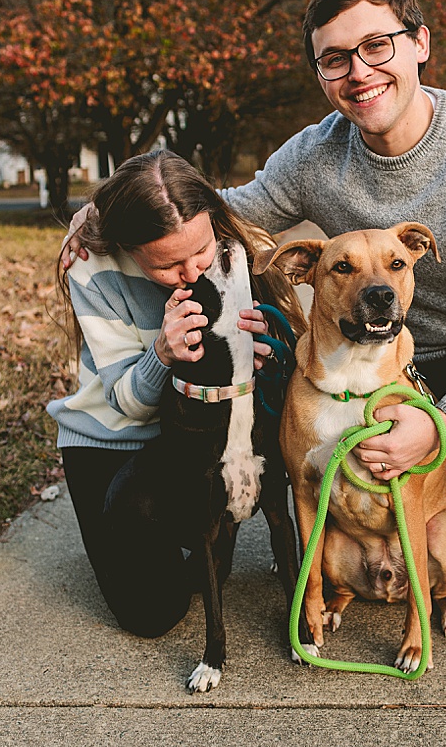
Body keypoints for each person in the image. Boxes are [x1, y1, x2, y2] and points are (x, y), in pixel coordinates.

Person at [64, 0, 446, 717]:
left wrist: (445, 418)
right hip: (397, 356)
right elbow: (217, 214)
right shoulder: (313, 153)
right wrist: (100, 220)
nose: (358, 72)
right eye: (335, 58)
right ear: (321, 72)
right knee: (445, 519)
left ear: (419, 43)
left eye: (376, 46)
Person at [48, 150, 305, 639]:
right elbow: (127, 401)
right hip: (116, 438)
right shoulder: (91, 265)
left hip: (200, 427)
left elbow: (291, 355)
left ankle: (193, 531)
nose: (191, 272)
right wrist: (161, 354)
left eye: (199, 253)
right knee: (152, 613)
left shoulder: (234, 246)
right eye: (167, 265)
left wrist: (269, 349)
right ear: (128, 245)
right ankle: (151, 534)